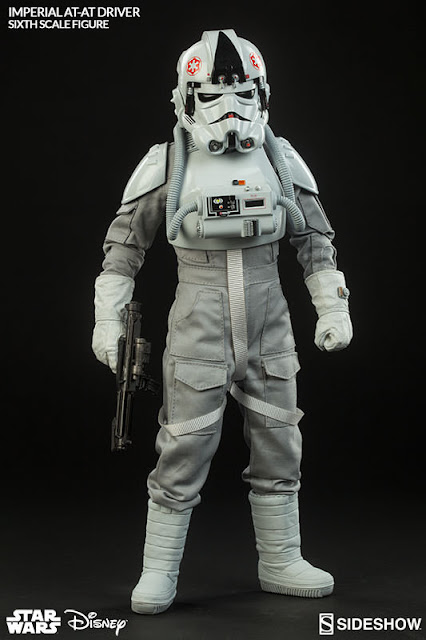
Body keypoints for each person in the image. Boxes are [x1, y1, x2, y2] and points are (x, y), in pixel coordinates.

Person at [92, 29, 353, 615]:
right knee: (183, 446)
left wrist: (332, 304)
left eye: (241, 93)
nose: (229, 108)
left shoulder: (279, 159)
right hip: (197, 325)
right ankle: (159, 569)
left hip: (270, 324)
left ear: (262, 94)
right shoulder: (168, 163)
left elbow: (315, 237)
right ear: (186, 98)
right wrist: (108, 319)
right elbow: (124, 247)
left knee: (281, 441)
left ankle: (280, 557)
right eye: (212, 95)